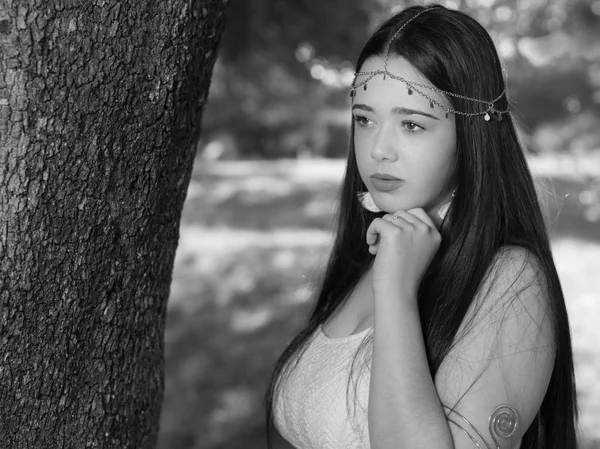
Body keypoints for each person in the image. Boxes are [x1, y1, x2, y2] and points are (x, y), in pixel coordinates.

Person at [264, 4, 578, 449]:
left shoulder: (511, 281)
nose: (378, 150)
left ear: (472, 134)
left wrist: (396, 292)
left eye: (412, 124)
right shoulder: (381, 242)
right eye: (364, 119)